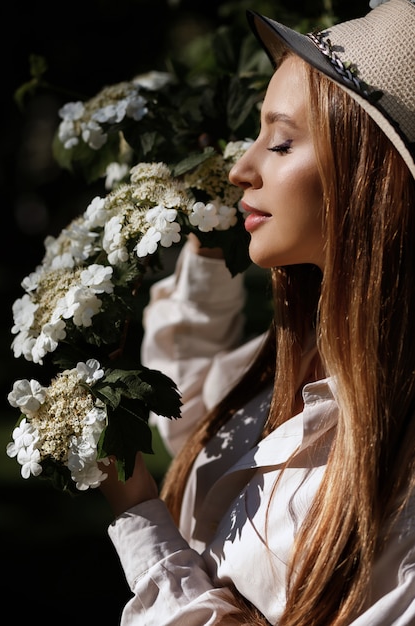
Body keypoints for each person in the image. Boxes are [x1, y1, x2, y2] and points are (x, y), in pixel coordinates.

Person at [99, 1, 415, 623]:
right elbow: (196, 412)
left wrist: (138, 520)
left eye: (280, 142)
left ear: (372, 176)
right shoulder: (313, 359)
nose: (241, 169)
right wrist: (209, 249)